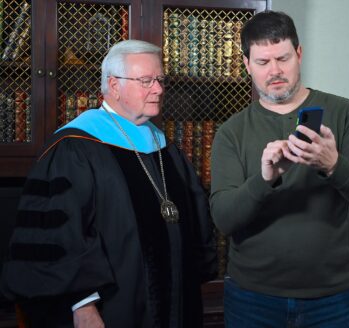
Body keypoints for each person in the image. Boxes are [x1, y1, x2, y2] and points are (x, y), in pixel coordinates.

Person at [1, 40, 217, 327]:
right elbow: (59, 239)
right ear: (114, 85)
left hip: (177, 304)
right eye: (146, 81)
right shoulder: (75, 148)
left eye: (160, 79)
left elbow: (194, 224)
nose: (159, 89)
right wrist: (83, 305)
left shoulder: (165, 147)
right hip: (112, 308)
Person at [210, 10, 349, 328]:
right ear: (247, 64)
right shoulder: (231, 132)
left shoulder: (345, 113)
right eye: (263, 62)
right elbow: (224, 218)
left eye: (283, 58)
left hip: (331, 297)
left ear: (299, 54)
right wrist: (265, 179)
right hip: (253, 298)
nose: (275, 71)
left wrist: (333, 164)